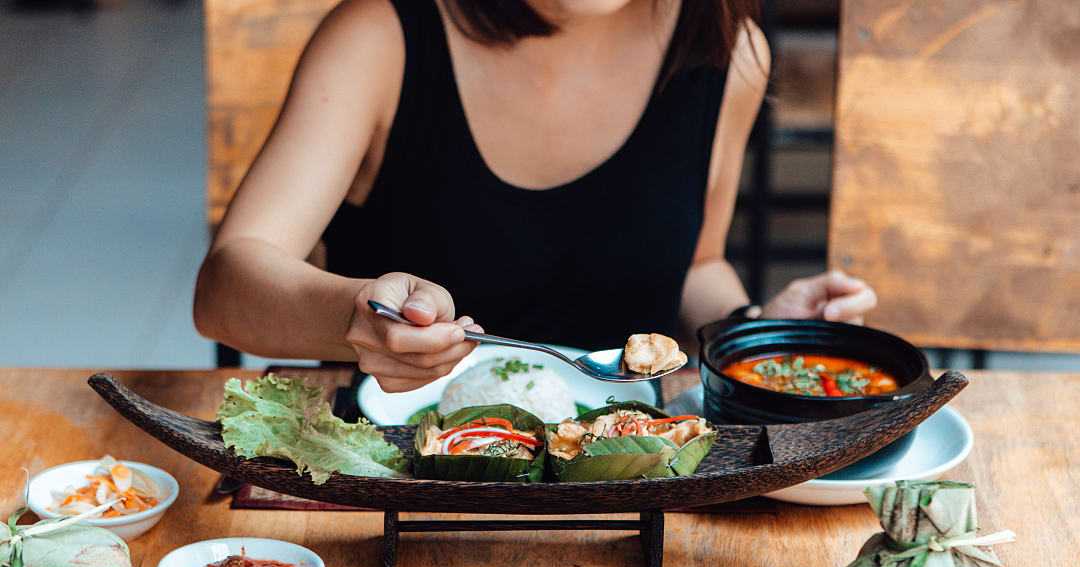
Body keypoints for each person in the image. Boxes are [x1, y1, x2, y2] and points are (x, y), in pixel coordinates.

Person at [194, 0, 877, 392]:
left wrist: (759, 336)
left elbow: (695, 265)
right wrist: (354, 313)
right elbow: (225, 287)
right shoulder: (381, 37)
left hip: (616, 488)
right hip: (396, 482)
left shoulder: (728, 53)